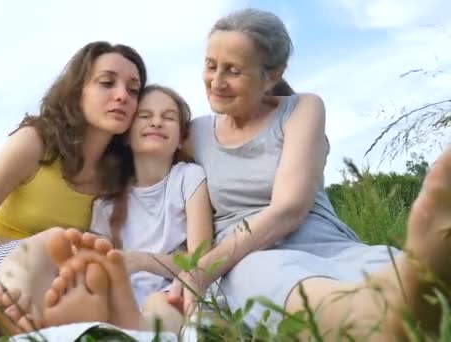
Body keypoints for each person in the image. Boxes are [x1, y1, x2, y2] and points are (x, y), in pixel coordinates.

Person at [160, 7, 451, 340]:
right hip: (247, 257)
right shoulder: (194, 134)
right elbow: (141, 164)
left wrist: (200, 272)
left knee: (380, 264)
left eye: (233, 70)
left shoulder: (302, 108)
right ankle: (376, 320)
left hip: (329, 244)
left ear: (272, 75)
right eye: (211, 66)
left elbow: (290, 208)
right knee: (269, 273)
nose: (217, 81)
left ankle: (413, 289)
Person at [0, 85, 214, 337]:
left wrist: (141, 260)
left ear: (181, 138)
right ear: (126, 134)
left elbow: (202, 261)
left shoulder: (188, 178)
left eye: (168, 117)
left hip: (168, 288)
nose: (156, 122)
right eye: (145, 116)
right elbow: (100, 257)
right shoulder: (108, 201)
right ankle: (26, 313)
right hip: (114, 288)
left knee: (161, 306)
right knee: (74, 262)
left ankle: (130, 327)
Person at [0, 40, 147, 300]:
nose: (123, 95)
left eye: (134, 90)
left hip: (62, 282)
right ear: (78, 91)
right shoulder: (35, 143)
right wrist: (47, 247)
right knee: (58, 245)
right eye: (106, 83)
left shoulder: (124, 171)